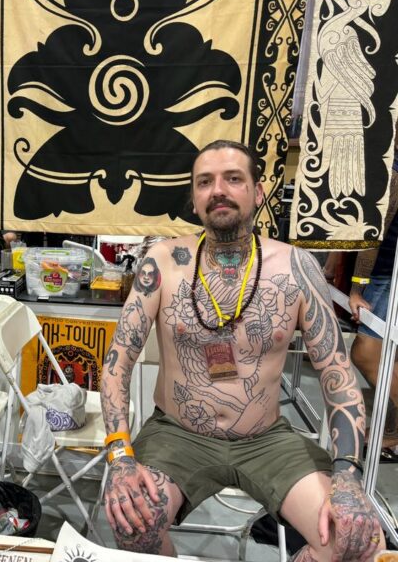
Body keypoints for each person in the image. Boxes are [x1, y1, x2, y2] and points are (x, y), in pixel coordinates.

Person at [100, 140, 385, 560]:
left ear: (258, 192)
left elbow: (337, 375)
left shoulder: (296, 267)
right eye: (205, 182)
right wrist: (121, 456)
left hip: (265, 439)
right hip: (177, 433)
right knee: (134, 522)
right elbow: (117, 365)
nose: (218, 190)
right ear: (194, 199)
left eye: (233, 178)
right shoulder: (162, 261)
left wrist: (347, 474)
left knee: (358, 542)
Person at [348, 135, 398, 463]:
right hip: (386, 272)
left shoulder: (390, 170)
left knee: (366, 352)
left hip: (386, 274)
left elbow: (372, 233)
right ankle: (391, 431)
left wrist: (357, 287)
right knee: (388, 357)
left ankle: (392, 432)